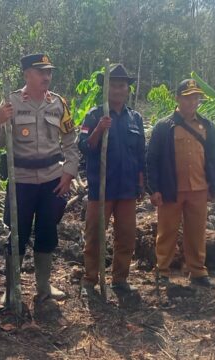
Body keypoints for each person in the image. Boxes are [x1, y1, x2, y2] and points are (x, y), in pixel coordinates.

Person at [0, 53, 77, 306]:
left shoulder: (58, 104)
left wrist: (69, 173)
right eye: (41, 72)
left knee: (47, 232)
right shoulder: (12, 102)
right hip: (22, 181)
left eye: (49, 72)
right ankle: (12, 289)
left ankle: (43, 286)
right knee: (17, 235)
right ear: (27, 74)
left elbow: (70, 142)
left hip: (52, 179)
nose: (46, 77)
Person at [145, 79, 215, 289]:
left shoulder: (206, 126)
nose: (192, 102)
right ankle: (162, 270)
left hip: (199, 189)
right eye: (188, 98)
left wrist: (214, 185)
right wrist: (153, 189)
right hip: (172, 189)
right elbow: (151, 159)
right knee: (167, 232)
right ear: (178, 98)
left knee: (197, 232)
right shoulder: (164, 126)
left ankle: (197, 271)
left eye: (196, 98)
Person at [76, 64, 144, 296]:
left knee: (126, 236)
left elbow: (140, 155)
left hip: (126, 189)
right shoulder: (94, 115)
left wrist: (141, 183)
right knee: (95, 235)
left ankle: (120, 279)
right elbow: (83, 146)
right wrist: (98, 130)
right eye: (113, 86)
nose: (117, 90)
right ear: (106, 89)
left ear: (127, 90)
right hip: (101, 188)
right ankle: (90, 279)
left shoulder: (135, 118)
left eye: (121, 86)